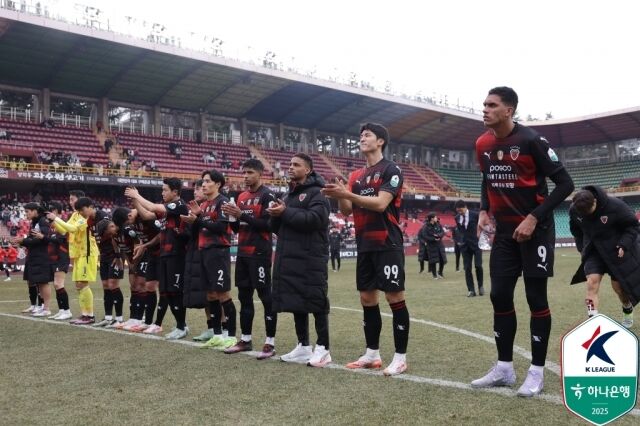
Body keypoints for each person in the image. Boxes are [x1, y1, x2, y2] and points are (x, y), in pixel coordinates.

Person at [471, 87, 574, 397]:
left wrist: (533, 217)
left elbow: (565, 183)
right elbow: (487, 179)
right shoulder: (482, 143)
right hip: (504, 235)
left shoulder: (532, 141)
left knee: (535, 299)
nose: (485, 109)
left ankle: (537, 372)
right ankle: (504, 368)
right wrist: (483, 210)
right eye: (484, 104)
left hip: (536, 232)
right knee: (499, 296)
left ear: (509, 111)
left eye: (492, 105)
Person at [322, 123, 410, 376]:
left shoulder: (391, 169)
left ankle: (400, 358)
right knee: (367, 298)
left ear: (380, 141)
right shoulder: (356, 176)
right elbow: (346, 211)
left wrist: (348, 194)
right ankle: (372, 354)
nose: (362, 138)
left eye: (367, 135)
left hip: (387, 243)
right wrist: (341, 193)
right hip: (365, 245)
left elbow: (382, 204)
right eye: (360, 135)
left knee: (395, 297)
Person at [268, 153, 331, 367]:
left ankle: (323, 348)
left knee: (317, 301)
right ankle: (303, 346)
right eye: (290, 164)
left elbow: (315, 220)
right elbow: (279, 228)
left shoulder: (317, 193)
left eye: (296, 165)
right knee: (297, 301)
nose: (291, 168)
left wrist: (285, 213)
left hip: (311, 257)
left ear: (308, 170)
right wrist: (274, 215)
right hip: (290, 257)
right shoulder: (289, 196)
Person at [221, 159, 279, 359]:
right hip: (243, 254)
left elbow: (268, 225)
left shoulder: (268, 195)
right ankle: (245, 340)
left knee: (266, 297)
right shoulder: (241, 196)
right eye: (244, 172)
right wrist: (232, 217)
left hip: (259, 253)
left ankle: (270, 343)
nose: (245, 176)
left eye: (249, 173)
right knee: (244, 297)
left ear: (260, 173)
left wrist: (241, 215)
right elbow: (237, 229)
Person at [123, 179, 190, 339]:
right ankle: (180, 325)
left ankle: (182, 326)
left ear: (175, 192)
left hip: (177, 256)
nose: (162, 193)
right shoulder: (167, 211)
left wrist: (137, 195)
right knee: (167, 292)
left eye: (165, 190)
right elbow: (147, 214)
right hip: (165, 255)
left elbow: (152, 207)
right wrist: (135, 200)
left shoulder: (179, 205)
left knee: (175, 292)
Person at [181, 170, 237, 350]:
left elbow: (221, 227)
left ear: (218, 184)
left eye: (207, 181)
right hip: (204, 251)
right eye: (203, 182)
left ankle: (231, 335)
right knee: (210, 295)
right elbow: (202, 226)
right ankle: (218, 334)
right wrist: (195, 219)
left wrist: (197, 220)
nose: (203, 185)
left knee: (223, 294)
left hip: (218, 252)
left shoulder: (223, 202)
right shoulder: (204, 205)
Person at [569, 186, 640, 328]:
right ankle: (593, 322)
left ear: (595, 201)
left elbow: (633, 227)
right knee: (591, 282)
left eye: (590, 211)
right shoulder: (575, 209)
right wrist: (581, 247)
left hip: (616, 249)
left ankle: (627, 308)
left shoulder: (616, 206)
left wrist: (623, 245)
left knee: (619, 288)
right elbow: (575, 229)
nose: (587, 215)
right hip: (594, 251)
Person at [49, 196, 100, 325]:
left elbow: (73, 229)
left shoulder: (86, 217)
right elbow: (65, 230)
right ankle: (84, 315)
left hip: (87, 254)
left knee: (83, 283)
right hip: (78, 254)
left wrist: (56, 218)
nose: (70, 202)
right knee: (79, 285)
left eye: (73, 200)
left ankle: (90, 315)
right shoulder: (76, 215)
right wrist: (54, 222)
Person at [112, 204, 161, 333]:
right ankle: (134, 318)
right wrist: (129, 262)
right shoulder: (121, 231)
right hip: (137, 258)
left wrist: (135, 260)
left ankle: (141, 317)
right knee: (134, 286)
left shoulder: (130, 228)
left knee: (141, 285)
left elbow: (139, 244)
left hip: (144, 256)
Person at [15, 203, 53, 316]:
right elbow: (33, 240)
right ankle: (41, 307)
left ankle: (46, 309)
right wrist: (21, 242)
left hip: (42, 256)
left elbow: (43, 239)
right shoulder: (35, 222)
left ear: (35, 210)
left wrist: (23, 241)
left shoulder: (42, 221)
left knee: (44, 282)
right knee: (39, 283)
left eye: (28, 211)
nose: (26, 214)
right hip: (35, 255)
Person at [92, 219, 126, 327]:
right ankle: (108, 318)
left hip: (116, 258)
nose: (114, 227)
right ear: (105, 230)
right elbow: (98, 246)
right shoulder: (98, 235)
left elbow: (120, 247)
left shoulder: (117, 234)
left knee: (113, 284)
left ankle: (119, 319)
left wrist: (119, 257)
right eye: (111, 226)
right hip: (104, 259)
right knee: (106, 285)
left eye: (114, 225)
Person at [43, 201, 72, 320]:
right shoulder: (52, 225)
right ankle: (61, 310)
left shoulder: (62, 224)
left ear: (55, 211)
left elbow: (63, 239)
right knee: (56, 285)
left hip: (62, 256)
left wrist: (47, 238)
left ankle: (67, 311)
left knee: (58, 284)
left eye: (50, 210)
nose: (48, 214)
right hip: (54, 257)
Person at [455, 200, 484, 297]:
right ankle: (471, 290)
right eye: (458, 211)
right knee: (467, 268)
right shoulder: (457, 218)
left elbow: (481, 227)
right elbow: (460, 231)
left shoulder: (475, 215)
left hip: (476, 245)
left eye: (461, 210)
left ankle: (480, 286)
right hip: (465, 246)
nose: (460, 213)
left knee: (478, 266)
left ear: (465, 207)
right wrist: (460, 241)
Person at [424, 213, 447, 279]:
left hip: (440, 245)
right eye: (435, 217)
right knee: (433, 261)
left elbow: (442, 232)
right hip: (431, 246)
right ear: (432, 218)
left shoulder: (439, 225)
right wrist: (433, 239)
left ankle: (440, 272)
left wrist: (439, 236)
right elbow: (425, 236)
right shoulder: (426, 227)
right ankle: (434, 275)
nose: (436, 218)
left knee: (442, 260)